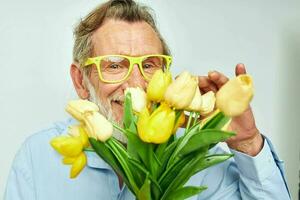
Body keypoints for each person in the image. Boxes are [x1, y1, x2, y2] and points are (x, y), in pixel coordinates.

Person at [4, 0, 290, 199]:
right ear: (81, 81)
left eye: (150, 65)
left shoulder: (198, 157)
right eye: (114, 65)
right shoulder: (39, 156)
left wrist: (248, 143)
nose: (136, 84)